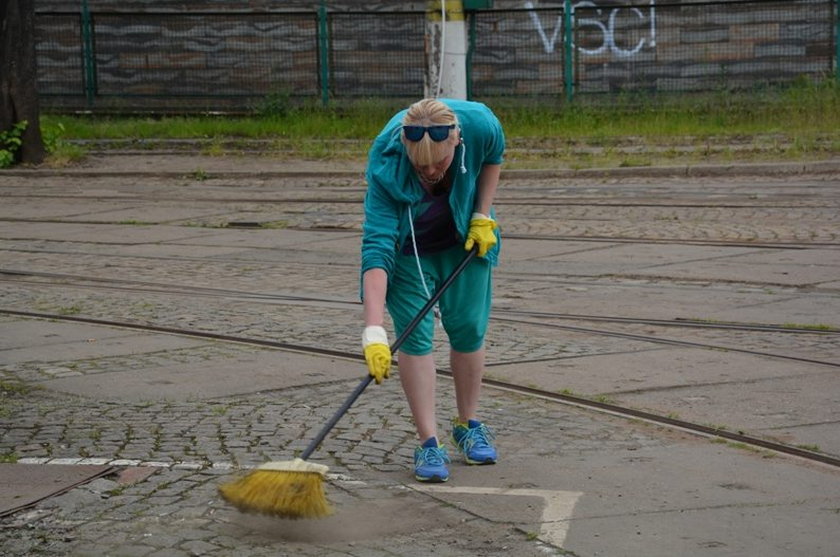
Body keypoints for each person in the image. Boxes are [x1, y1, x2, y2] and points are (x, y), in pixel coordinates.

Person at [360, 98, 505, 483]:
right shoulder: (386, 161)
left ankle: (468, 423)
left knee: (469, 328)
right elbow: (376, 248)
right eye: (419, 165)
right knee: (416, 339)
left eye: (438, 164)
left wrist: (482, 214)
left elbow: (494, 156)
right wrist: (373, 331)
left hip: (465, 237)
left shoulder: (479, 124)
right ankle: (429, 441)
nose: (428, 172)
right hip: (409, 254)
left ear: (457, 140)